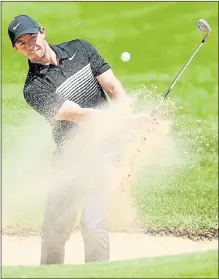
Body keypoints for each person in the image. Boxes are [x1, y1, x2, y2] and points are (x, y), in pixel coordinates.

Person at [8, 14, 155, 265]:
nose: (30, 44)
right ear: (16, 49)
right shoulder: (33, 88)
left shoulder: (81, 49)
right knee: (55, 230)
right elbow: (78, 115)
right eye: (22, 43)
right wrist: (122, 121)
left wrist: (127, 114)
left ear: (42, 31)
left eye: (32, 37)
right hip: (68, 160)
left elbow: (113, 87)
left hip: (103, 153)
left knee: (93, 224)